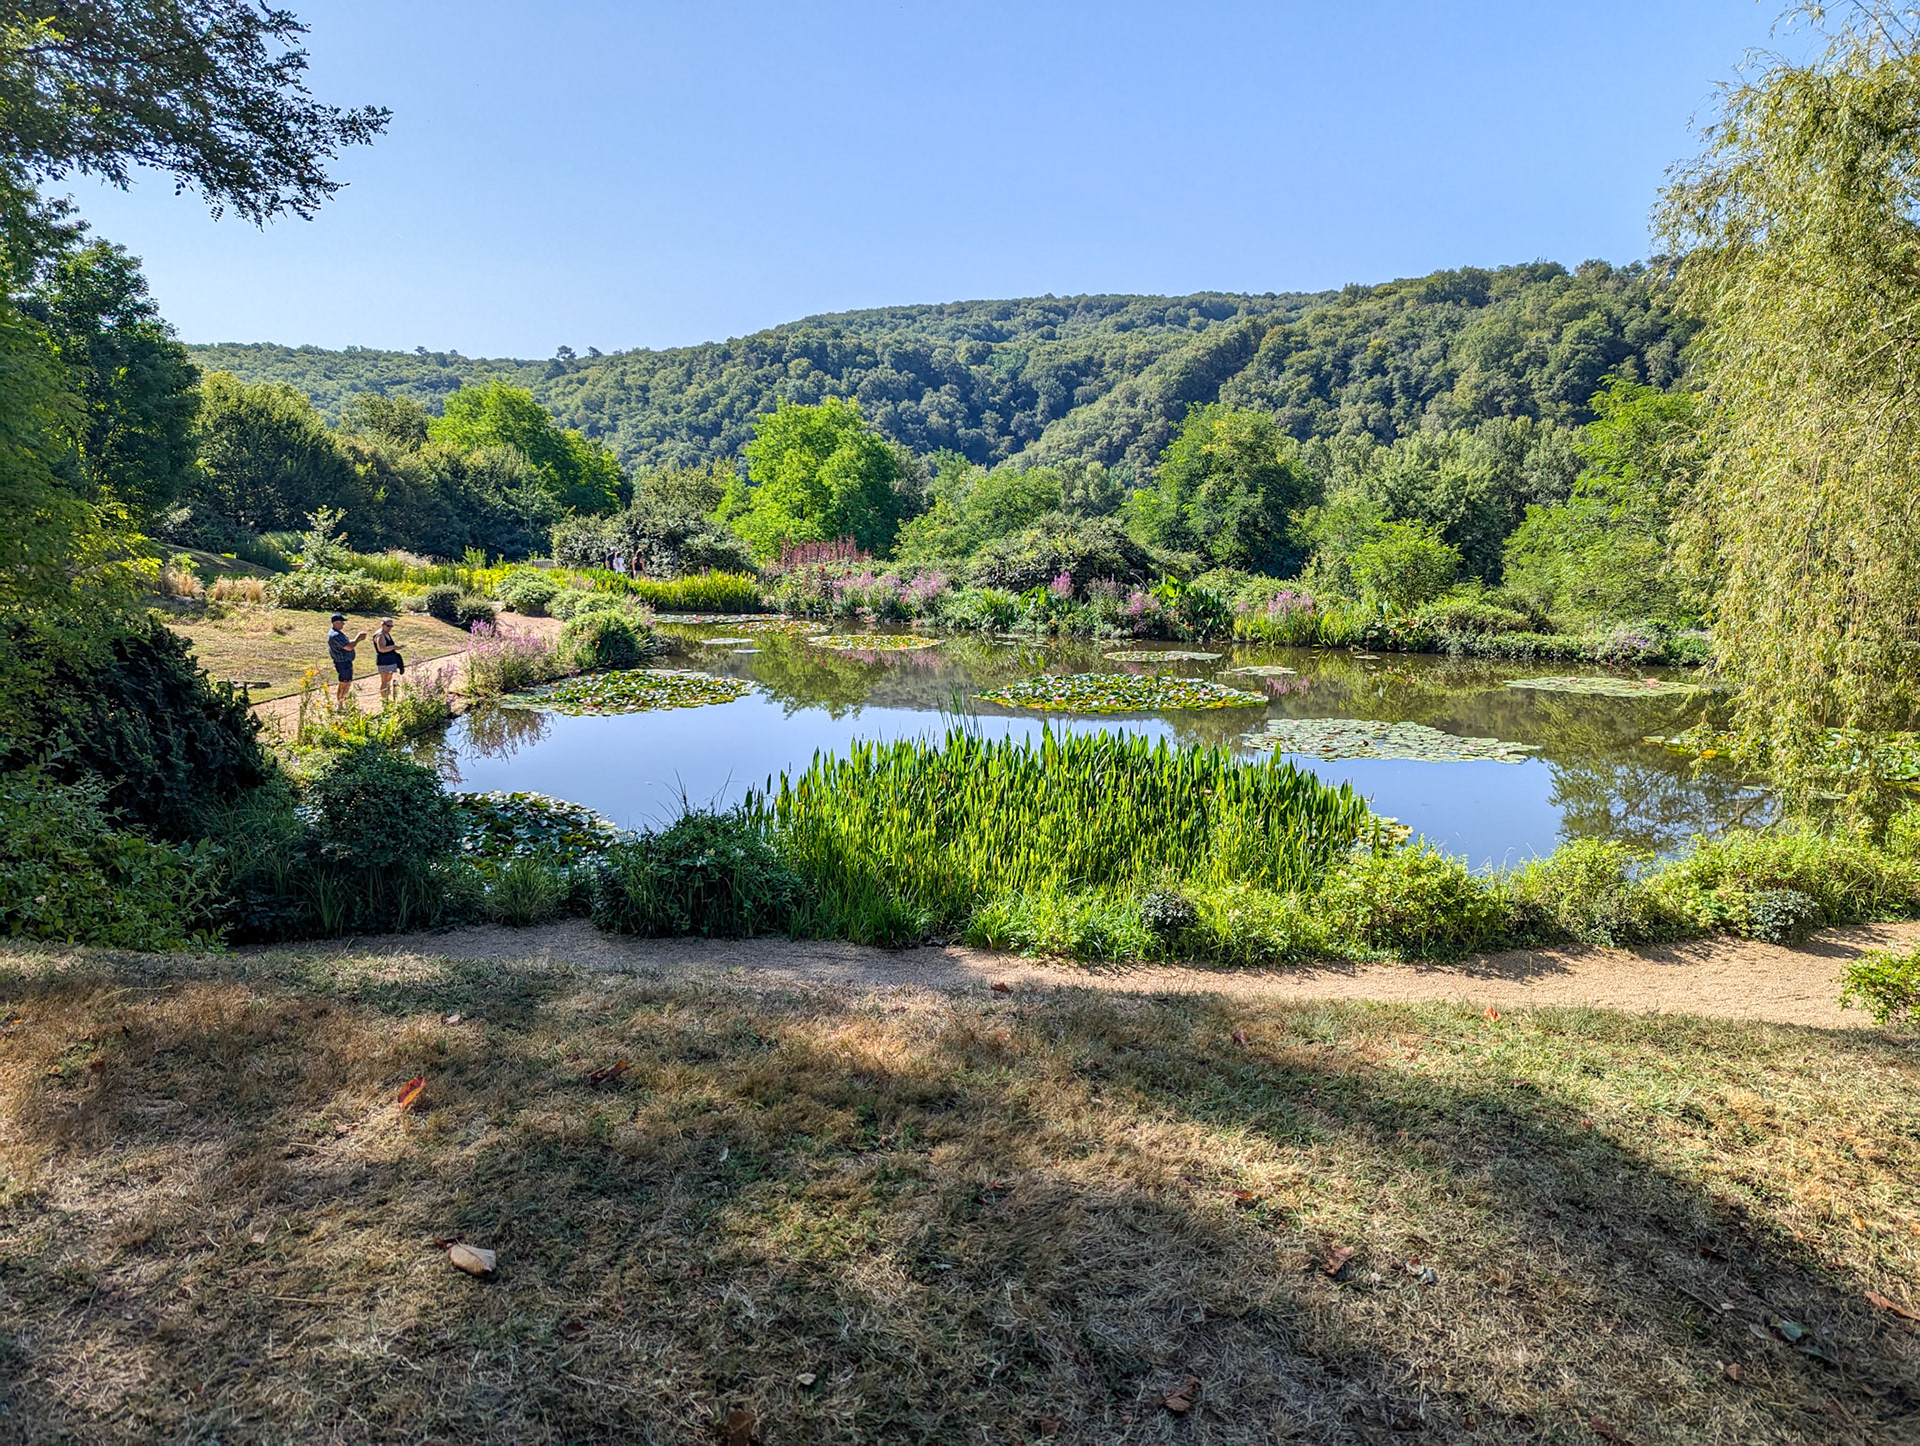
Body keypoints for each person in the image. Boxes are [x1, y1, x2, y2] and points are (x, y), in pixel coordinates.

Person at [326, 614, 366, 707]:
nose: (343, 624)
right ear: (335, 623)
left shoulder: (338, 633)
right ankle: (340, 704)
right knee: (344, 683)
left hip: (345, 662)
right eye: (341, 622)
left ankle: (342, 703)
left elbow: (346, 643)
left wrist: (356, 640)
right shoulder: (335, 635)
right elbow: (348, 647)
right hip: (342, 663)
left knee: (346, 682)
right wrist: (358, 639)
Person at [371, 616, 405, 704]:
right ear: (383, 625)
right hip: (384, 661)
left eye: (391, 626)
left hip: (390, 659)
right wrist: (393, 647)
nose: (390, 628)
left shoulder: (386, 634)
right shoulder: (380, 635)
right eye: (388, 626)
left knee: (388, 679)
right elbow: (381, 649)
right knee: (384, 681)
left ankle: (387, 697)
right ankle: (385, 700)